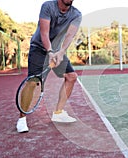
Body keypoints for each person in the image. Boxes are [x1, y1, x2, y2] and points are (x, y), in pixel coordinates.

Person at [16, 0, 82, 133]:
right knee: (34, 82)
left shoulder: (76, 14)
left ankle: (58, 113)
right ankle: (22, 119)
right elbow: (44, 33)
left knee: (71, 76)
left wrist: (61, 52)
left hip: (57, 51)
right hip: (39, 49)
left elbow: (69, 35)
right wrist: (50, 52)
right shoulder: (47, 6)